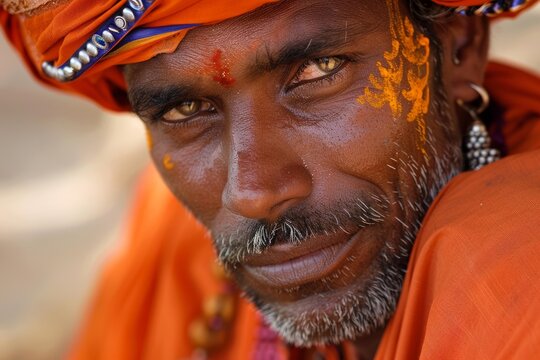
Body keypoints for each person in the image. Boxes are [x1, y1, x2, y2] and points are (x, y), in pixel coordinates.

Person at [2, 0, 539, 358]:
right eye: (185, 108)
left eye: (317, 72)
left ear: (458, 46)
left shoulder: (515, 274)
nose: (253, 192)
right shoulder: (176, 246)